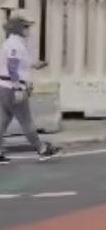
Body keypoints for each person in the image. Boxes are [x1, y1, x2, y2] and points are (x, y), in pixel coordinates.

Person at [0, 10, 61, 164]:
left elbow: (21, 64)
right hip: (12, 88)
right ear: (18, 27)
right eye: (26, 26)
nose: (28, 29)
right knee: (26, 121)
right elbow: (13, 67)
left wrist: (37, 65)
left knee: (3, 120)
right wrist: (18, 89)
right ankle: (41, 149)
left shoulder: (15, 43)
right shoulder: (14, 44)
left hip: (4, 87)